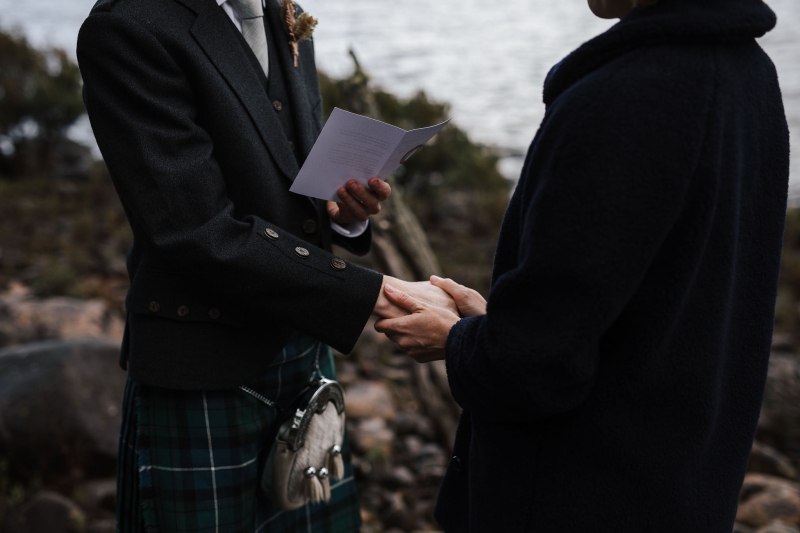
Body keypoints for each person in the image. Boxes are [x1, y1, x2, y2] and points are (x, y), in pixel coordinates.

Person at [375, 0, 790, 531]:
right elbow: (667, 296)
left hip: (574, 498)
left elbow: (534, 369)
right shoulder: (750, 74)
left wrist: (458, 341)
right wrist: (500, 323)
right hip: (684, 488)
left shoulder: (621, 98)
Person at [76, 0, 454, 530]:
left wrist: (343, 216)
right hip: (203, 365)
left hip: (303, 348)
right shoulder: (128, 26)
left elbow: (290, 172)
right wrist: (377, 293)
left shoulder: (280, 9)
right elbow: (196, 231)